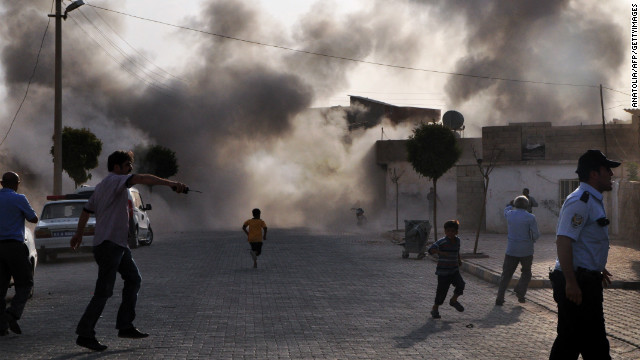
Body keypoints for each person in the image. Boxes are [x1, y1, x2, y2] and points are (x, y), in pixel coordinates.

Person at [70, 150, 188, 352]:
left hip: (116, 245)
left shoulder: (100, 187)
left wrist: (78, 234)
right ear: (116, 167)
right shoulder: (116, 180)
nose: (130, 170)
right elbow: (142, 178)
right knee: (103, 292)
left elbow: (86, 211)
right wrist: (172, 184)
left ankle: (125, 325)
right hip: (109, 245)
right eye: (127, 165)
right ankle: (85, 333)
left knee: (134, 279)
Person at [549, 149, 620, 359]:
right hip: (578, 284)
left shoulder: (592, 200)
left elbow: (584, 242)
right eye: (607, 170)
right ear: (594, 174)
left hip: (586, 279)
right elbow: (563, 241)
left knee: (581, 343)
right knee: (578, 343)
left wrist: (597, 265)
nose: (612, 174)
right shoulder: (581, 201)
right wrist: (571, 281)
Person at [0, 172, 38, 336]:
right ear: (17, 184)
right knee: (25, 283)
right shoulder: (19, 199)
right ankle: (12, 314)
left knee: (0, 289)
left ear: (2, 183)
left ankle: (1, 326)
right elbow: (33, 218)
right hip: (15, 246)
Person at [495, 195, 539, 306]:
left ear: (515, 204)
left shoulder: (510, 215)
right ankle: (520, 291)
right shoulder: (531, 217)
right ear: (527, 205)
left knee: (506, 274)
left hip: (512, 249)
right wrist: (532, 240)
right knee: (526, 272)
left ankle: (500, 297)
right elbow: (536, 234)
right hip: (527, 250)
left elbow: (506, 209)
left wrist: (510, 204)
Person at [427, 220, 465, 319]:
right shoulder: (442, 242)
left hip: (454, 270)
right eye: (448, 231)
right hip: (443, 272)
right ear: (445, 232)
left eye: (453, 231)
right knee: (441, 293)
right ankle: (435, 308)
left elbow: (457, 251)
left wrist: (459, 260)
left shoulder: (457, 241)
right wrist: (442, 253)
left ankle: (453, 300)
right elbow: (431, 250)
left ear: (456, 232)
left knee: (461, 284)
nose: (450, 233)